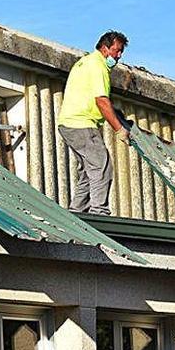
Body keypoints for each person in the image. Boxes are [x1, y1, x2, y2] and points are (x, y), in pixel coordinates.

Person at [56, 30, 130, 215]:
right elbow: (101, 100)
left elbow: (93, 98)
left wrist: (114, 112)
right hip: (81, 123)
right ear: (104, 48)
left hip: (68, 123)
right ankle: (99, 211)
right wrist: (119, 129)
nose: (119, 56)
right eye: (116, 51)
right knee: (102, 165)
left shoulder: (85, 62)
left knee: (89, 172)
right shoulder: (98, 66)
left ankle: (77, 211)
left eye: (121, 52)